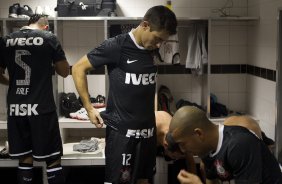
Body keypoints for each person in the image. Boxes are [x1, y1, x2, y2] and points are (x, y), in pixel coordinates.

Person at [72, 5, 177, 184]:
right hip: (122, 136)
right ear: (145, 25)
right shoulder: (117, 46)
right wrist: (88, 108)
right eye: (157, 38)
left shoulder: (152, 49)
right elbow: (78, 68)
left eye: (163, 41)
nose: (159, 44)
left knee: (144, 181)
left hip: (147, 134)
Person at [0, 14, 69, 184]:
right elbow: (64, 72)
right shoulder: (49, 38)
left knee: (24, 157)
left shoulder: (6, 40)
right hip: (42, 108)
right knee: (52, 158)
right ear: (45, 27)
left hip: (16, 108)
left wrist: (13, 83)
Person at [166, 106, 282, 184]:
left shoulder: (239, 144)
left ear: (199, 134)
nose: (183, 150)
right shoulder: (206, 150)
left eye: (182, 144)